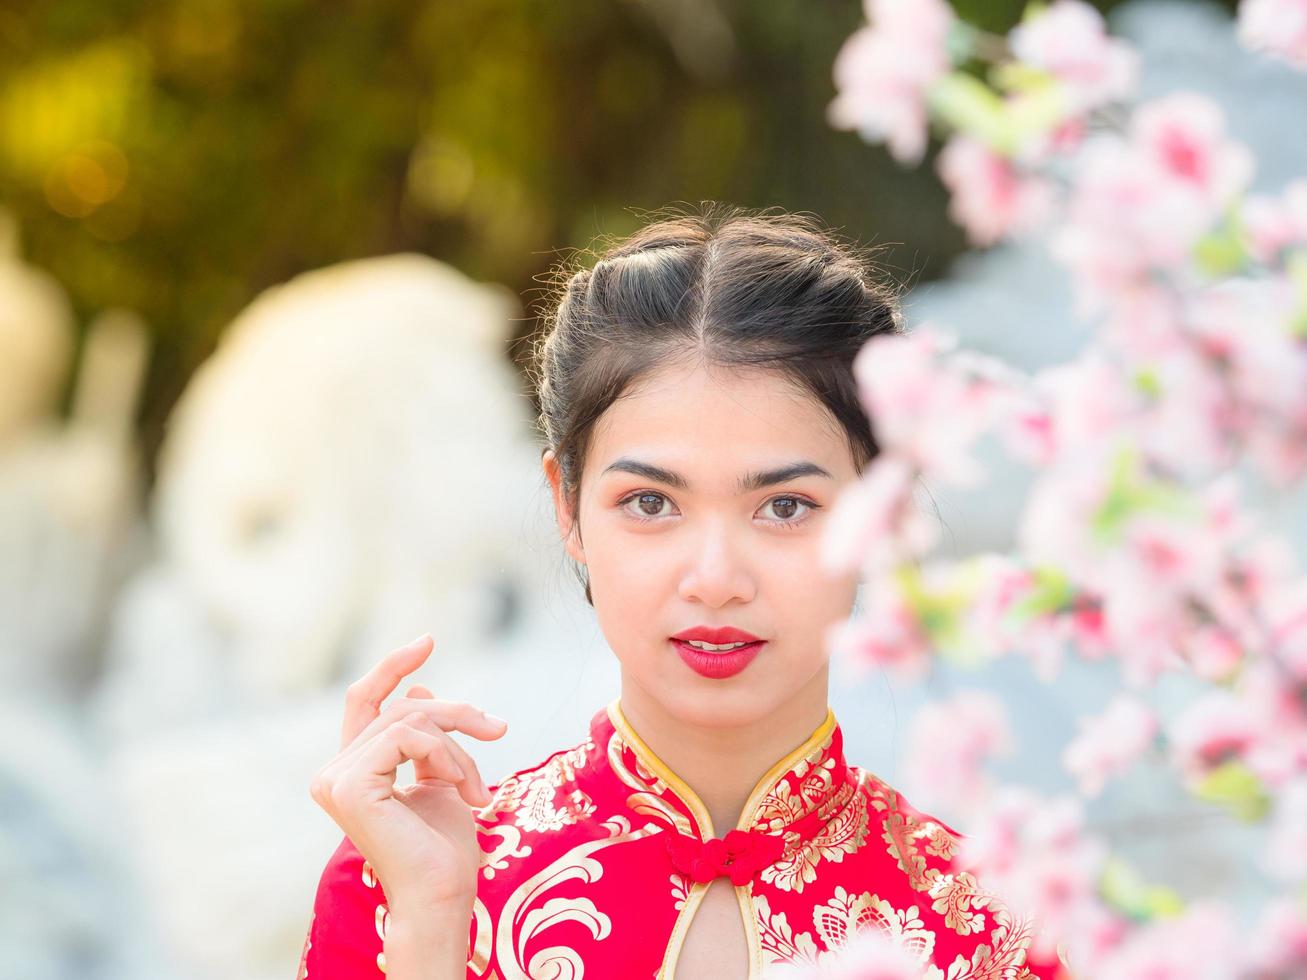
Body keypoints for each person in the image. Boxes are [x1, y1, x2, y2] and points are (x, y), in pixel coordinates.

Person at [297, 204, 1070, 979]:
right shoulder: (404, 886)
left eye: (784, 507)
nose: (714, 580)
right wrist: (431, 934)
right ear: (566, 507)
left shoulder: (984, 928)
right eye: (650, 503)